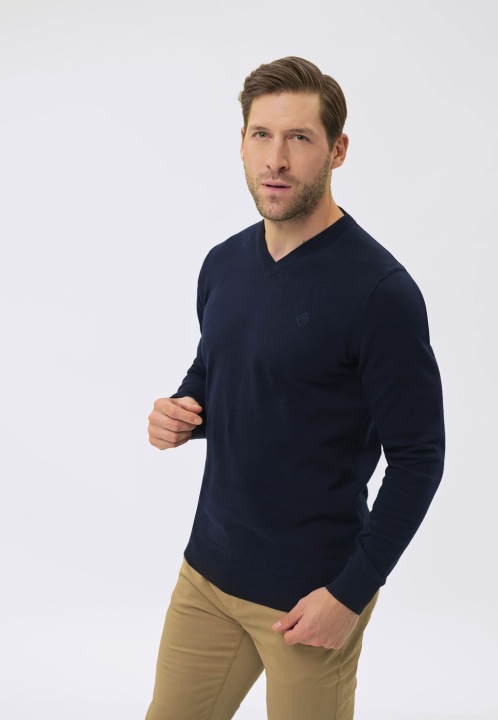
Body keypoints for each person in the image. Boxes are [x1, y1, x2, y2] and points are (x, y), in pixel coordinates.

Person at [145, 56, 445, 720]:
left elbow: (419, 458)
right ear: (242, 142)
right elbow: (219, 371)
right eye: (262, 135)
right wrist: (182, 411)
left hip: (311, 598)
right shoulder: (223, 264)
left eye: (299, 138)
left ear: (337, 150)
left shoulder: (381, 293)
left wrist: (350, 594)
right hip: (207, 575)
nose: (275, 159)